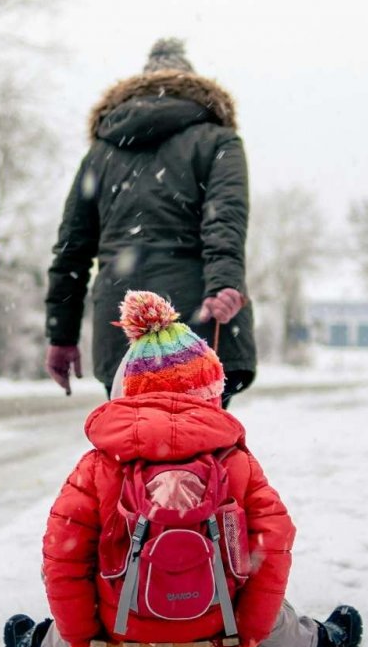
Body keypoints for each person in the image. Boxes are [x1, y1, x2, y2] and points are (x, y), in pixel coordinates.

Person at [5, 291, 360, 647]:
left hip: (119, 622)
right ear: (211, 392)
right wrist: (249, 629)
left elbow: (63, 558)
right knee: (270, 607)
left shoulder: (98, 466)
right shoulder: (236, 464)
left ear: (128, 390)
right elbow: (273, 543)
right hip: (218, 618)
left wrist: (83, 641)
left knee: (81, 594)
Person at [44, 38, 257, 407]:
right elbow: (225, 222)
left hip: (122, 323)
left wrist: (61, 335)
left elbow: (72, 250)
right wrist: (223, 285)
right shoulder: (218, 141)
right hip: (196, 320)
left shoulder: (101, 152)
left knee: (130, 446)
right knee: (201, 449)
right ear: (193, 87)